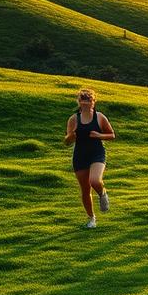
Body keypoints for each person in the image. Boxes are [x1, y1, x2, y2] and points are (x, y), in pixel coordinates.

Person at [63, 88, 115, 228]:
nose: (86, 103)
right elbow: (67, 142)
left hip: (97, 152)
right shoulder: (74, 119)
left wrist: (99, 136)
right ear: (79, 102)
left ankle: (102, 193)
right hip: (80, 155)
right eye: (83, 101)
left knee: (94, 180)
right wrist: (71, 136)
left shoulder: (99, 117)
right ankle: (92, 219)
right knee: (85, 189)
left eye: (89, 101)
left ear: (93, 102)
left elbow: (111, 135)